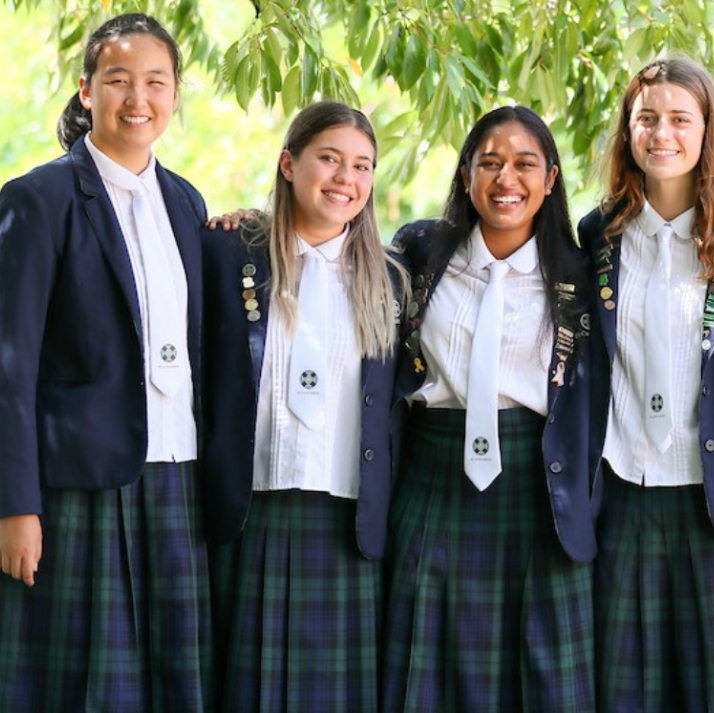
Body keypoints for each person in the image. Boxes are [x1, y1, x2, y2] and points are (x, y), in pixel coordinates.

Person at [0, 13, 212, 712]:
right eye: (118, 80)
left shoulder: (186, 201)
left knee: (175, 682)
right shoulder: (38, 199)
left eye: (156, 82)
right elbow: (9, 366)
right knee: (86, 687)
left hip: (178, 476)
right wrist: (15, 505)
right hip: (80, 487)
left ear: (174, 94)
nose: (138, 99)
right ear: (87, 91)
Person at [577, 56, 714, 712]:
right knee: (624, 691)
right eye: (646, 118)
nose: (661, 133)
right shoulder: (596, 235)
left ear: (706, 130)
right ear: (626, 131)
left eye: (679, 119)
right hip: (622, 495)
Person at [383, 105, 599, 713]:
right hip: (432, 478)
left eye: (525, 164)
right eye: (490, 163)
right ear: (466, 175)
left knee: (541, 675)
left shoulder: (580, 274)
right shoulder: (421, 250)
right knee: (425, 669)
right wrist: (254, 223)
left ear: (550, 179)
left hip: (539, 488)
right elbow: (337, 248)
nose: (507, 179)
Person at [201, 100, 407, 712]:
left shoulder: (392, 280)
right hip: (247, 514)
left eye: (362, 166)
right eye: (330, 159)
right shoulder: (226, 254)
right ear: (289, 164)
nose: (346, 178)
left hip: (347, 523)